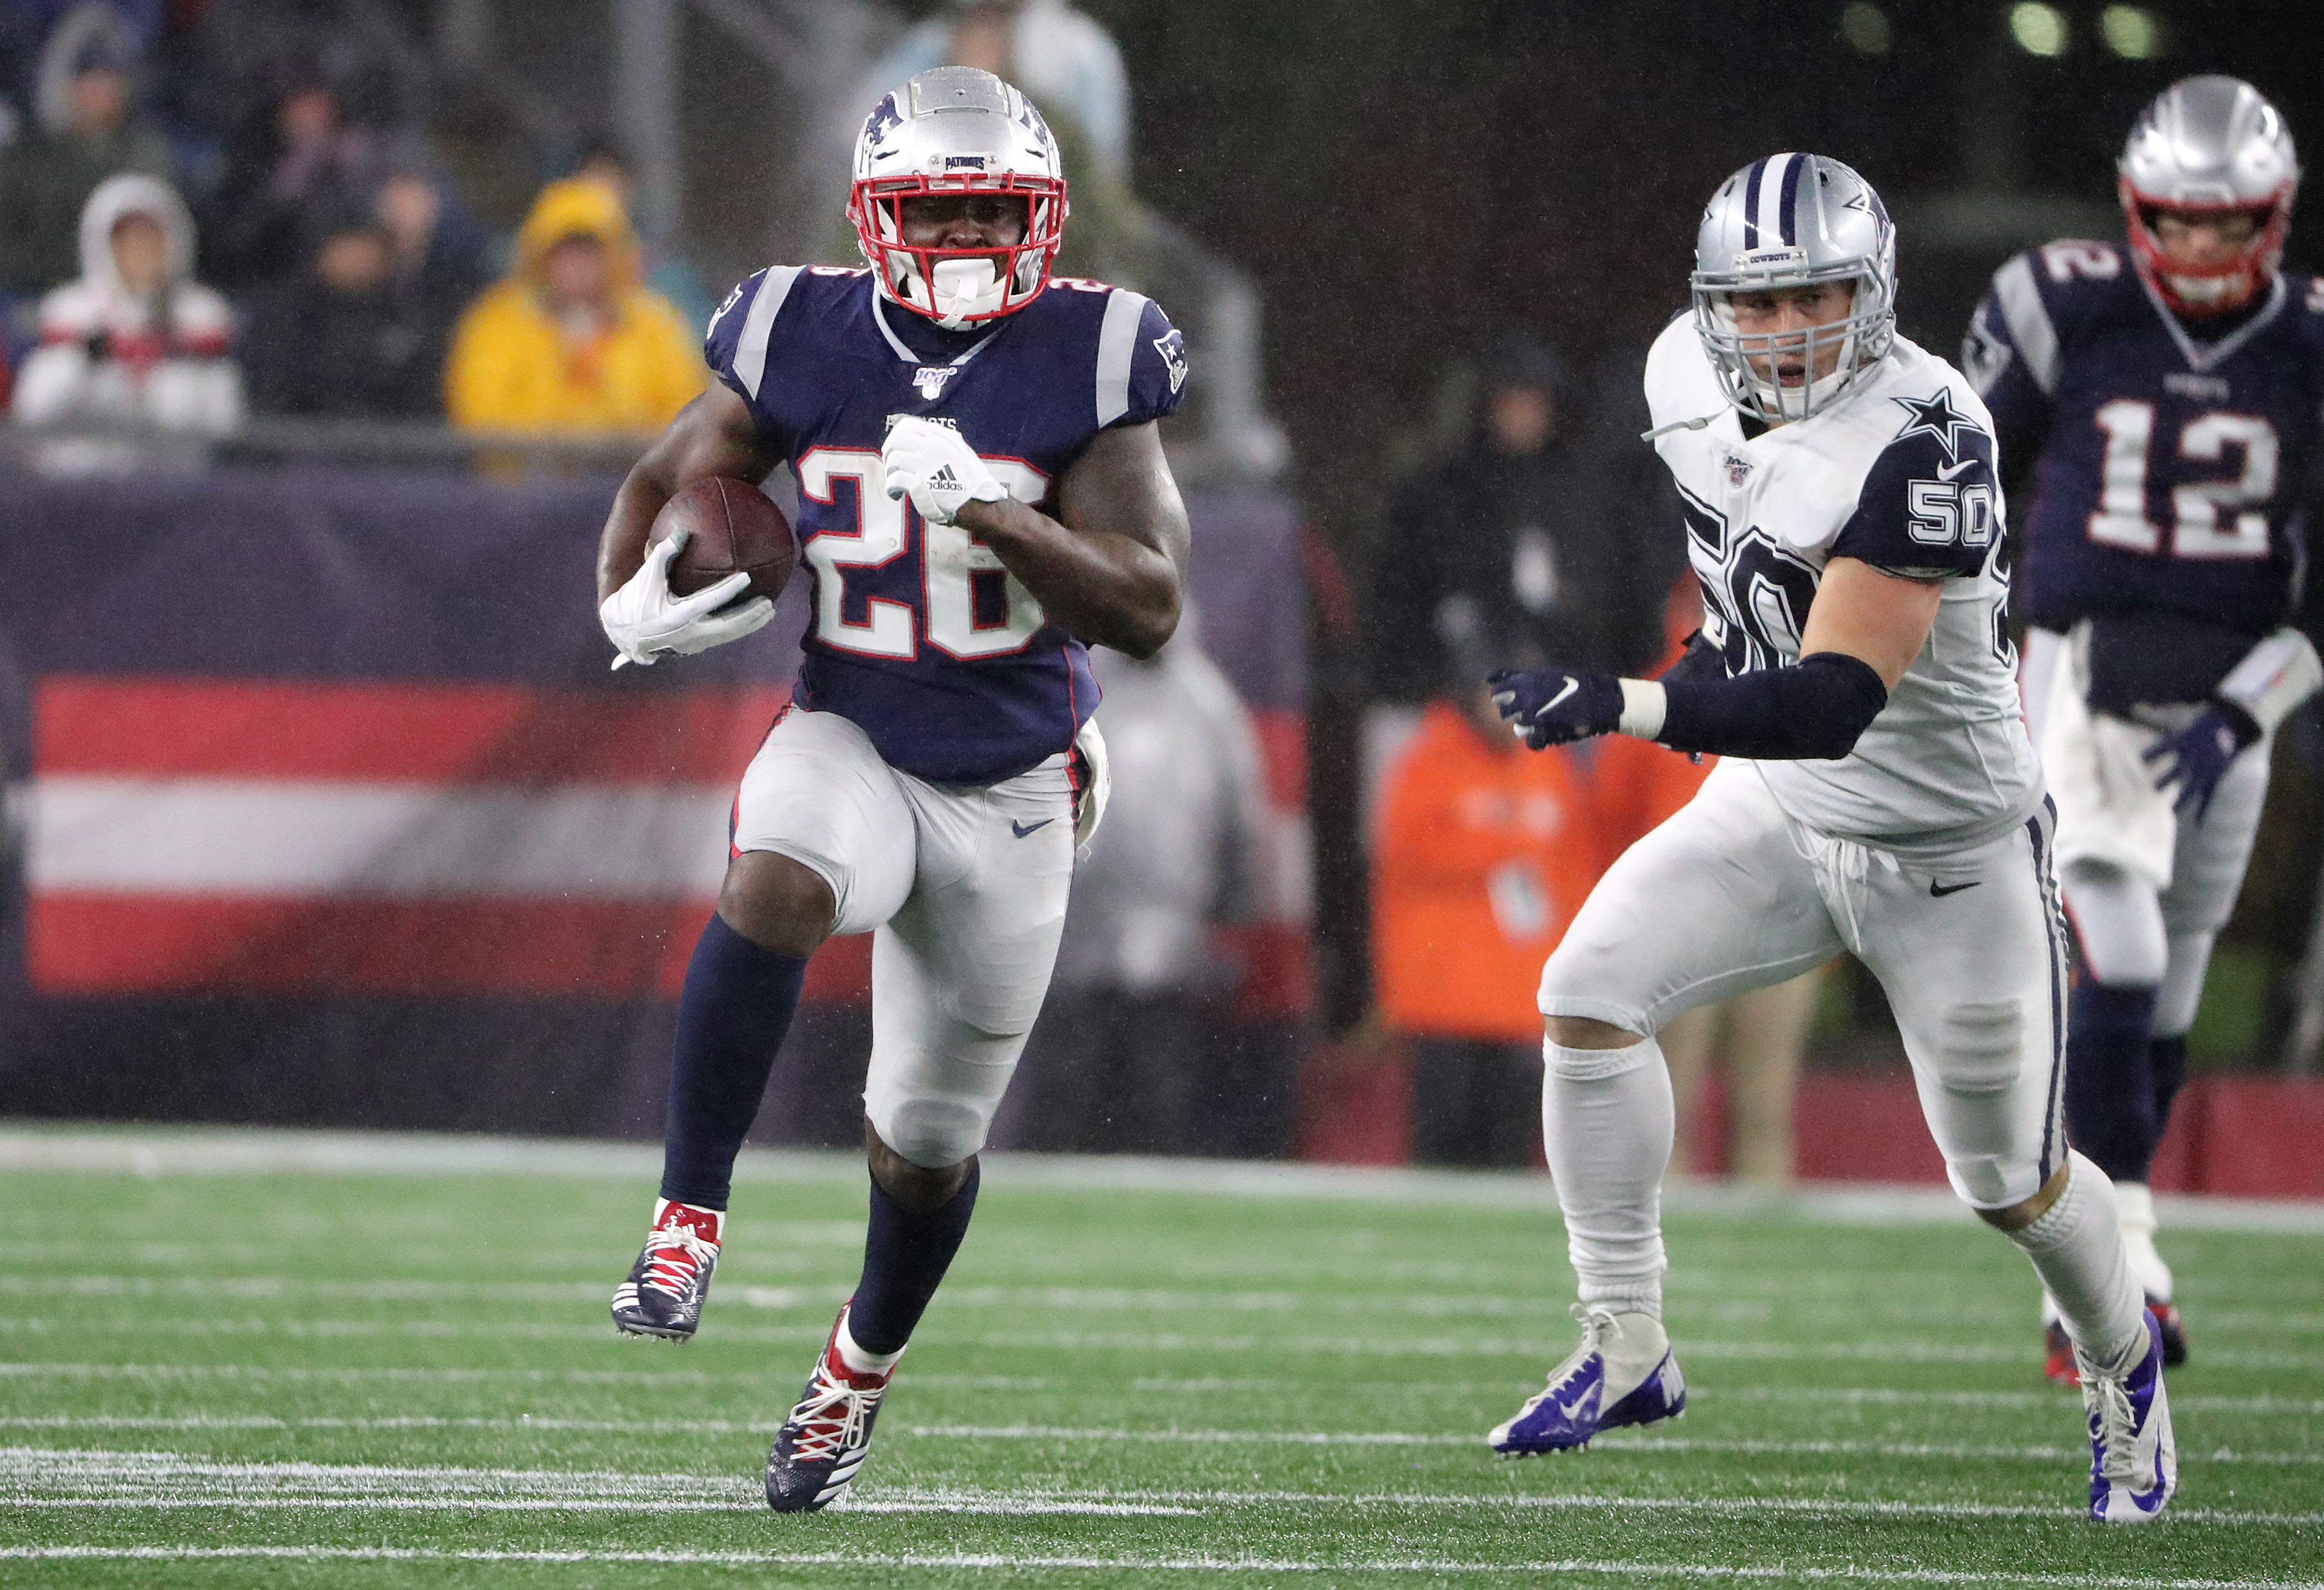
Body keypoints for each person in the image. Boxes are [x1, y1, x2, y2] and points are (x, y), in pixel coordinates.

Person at [1481, 154, 2174, 1525]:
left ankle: (2124, 1361)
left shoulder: (1930, 431)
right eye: (1761, 300)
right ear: (1710, 304)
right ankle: (1628, 1342)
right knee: (1584, 991)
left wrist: (1622, 700)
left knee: (2012, 1183)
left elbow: (1833, 696)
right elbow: (1749, 599)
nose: (1789, 328)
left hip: (1945, 850)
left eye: (1819, 296)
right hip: (1785, 812)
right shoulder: (1682, 368)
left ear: (1875, 294)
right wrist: (1693, 660)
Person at [592, 67, 1189, 1512]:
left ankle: (852, 1372)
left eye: (997, 209)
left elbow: (1152, 603)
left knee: (922, 1147)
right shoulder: (796, 328)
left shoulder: (1095, 355)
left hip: (1012, 783)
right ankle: (685, 1215)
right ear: (875, 219)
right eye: (941, 210)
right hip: (849, 729)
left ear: (1043, 216)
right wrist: (625, 605)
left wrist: (985, 506)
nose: (973, 237)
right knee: (774, 875)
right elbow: (661, 478)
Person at [1962, 77, 2323, 1384]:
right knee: (2111, 949)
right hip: (2085, 666)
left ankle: (2113, 1242)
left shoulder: (2307, 342)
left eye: (2233, 226)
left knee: (2167, 990)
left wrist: (2246, 710)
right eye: (2181, 222)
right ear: (2136, 211)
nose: (2206, 251)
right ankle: (2112, 1280)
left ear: (2274, 220)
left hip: (2235, 684)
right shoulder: (2065, 301)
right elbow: (1956, 469)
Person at [996, 624, 1266, 1155]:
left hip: (1170, 948)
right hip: (1067, 939)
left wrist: (1230, 909)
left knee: (1159, 1100)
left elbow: (1241, 817)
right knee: (1062, 1096)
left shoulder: (1208, 703)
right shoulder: (1073, 686)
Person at [1371, 659, 1601, 1166]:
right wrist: (1505, 846)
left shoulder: (1549, 763)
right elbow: (1408, 854)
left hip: (1520, 998)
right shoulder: (1429, 760)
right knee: (1441, 1150)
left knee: (1508, 1152)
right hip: (1443, 998)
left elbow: (1574, 872)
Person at [1366, 336, 1674, 706]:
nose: (1521, 415)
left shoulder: (1584, 493)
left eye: (1533, 403)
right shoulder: (1450, 494)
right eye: (1510, 402)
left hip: (1577, 692)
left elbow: (1618, 598)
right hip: (1470, 701)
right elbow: (1429, 599)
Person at [445, 177, 703, 438]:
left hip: (635, 475)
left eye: (589, 250)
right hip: (531, 478)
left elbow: (686, 413)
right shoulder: (497, 323)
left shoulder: (656, 323)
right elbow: (480, 419)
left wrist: (605, 389)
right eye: (564, 251)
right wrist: (564, 371)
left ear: (613, 256)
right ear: (541, 256)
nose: (577, 263)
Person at [12, 172, 241, 458]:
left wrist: (161, 361)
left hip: (174, 479)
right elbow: (34, 413)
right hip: (80, 481)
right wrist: (87, 362)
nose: (142, 252)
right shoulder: (72, 310)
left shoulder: (200, 314)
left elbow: (226, 425)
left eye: (152, 240)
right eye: (128, 241)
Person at [0, 2, 174, 297]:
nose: (100, 92)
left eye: (109, 80)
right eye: (89, 80)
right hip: (39, 294)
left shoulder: (145, 154)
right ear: (68, 86)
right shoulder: (28, 157)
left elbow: (159, 239)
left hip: (126, 298)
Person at [241, 201, 443, 418]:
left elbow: (420, 398)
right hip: (302, 442)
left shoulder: (408, 313)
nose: (363, 255)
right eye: (352, 243)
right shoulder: (286, 316)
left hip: (388, 444)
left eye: (372, 244)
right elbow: (272, 396)